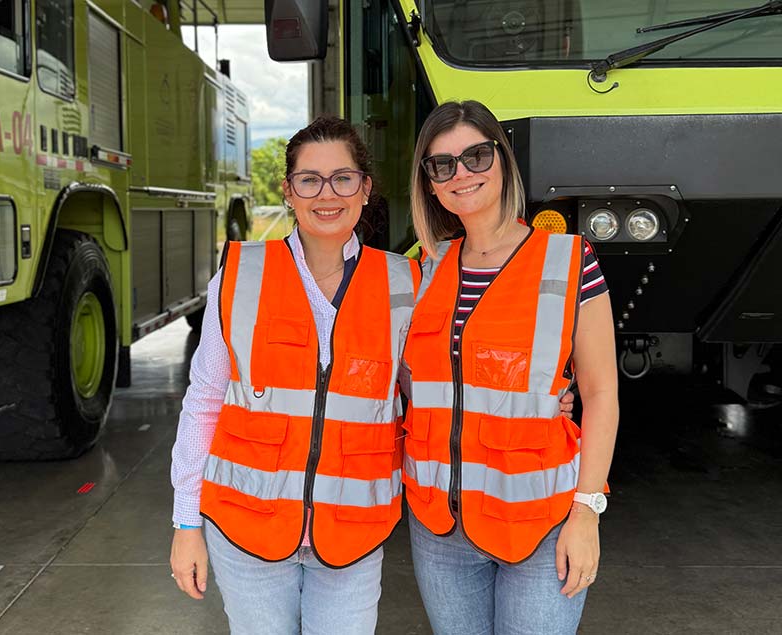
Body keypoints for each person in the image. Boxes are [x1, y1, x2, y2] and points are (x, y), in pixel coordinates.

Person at [169, 115, 421, 634]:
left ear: (365, 187)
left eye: (343, 177)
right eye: (309, 179)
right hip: (246, 534)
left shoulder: (403, 283)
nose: (326, 194)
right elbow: (205, 400)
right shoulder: (239, 276)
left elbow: (435, 395)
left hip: (352, 536)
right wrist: (186, 521)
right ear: (288, 190)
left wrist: (544, 402)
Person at [402, 100, 619, 635]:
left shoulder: (570, 259)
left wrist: (588, 512)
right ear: (429, 183)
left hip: (541, 523)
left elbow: (600, 392)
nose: (462, 174)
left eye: (476, 156)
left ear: (503, 161)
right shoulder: (422, 270)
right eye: (442, 165)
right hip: (439, 529)